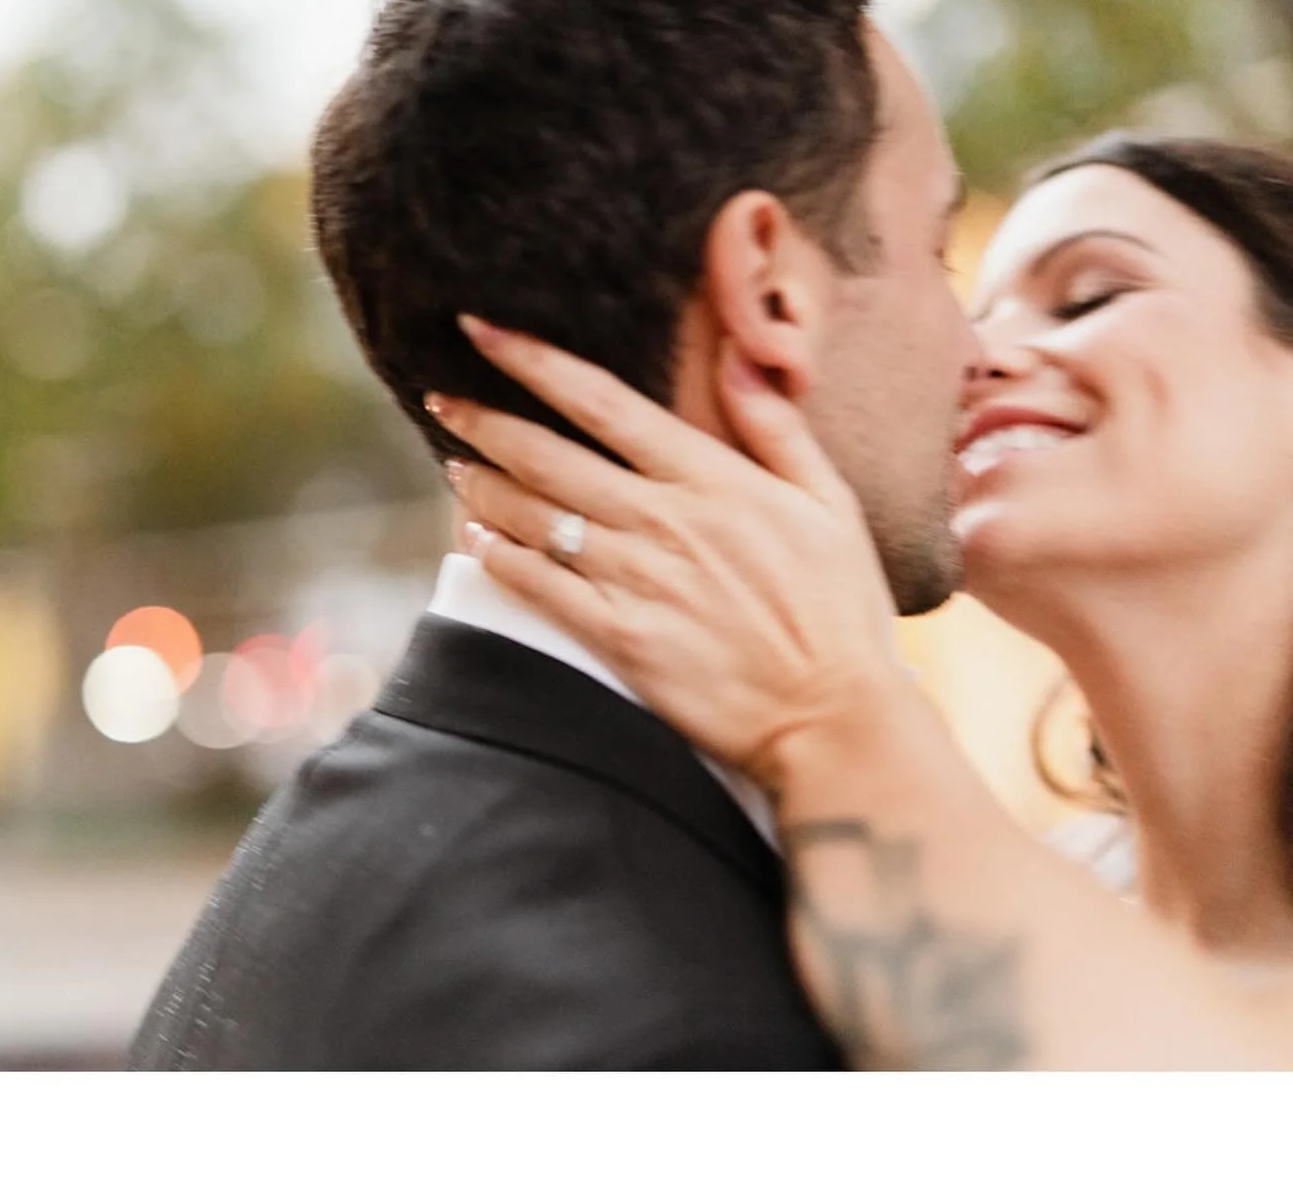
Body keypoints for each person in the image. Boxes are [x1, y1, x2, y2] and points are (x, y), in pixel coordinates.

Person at [127, 0, 980, 1069]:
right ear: (770, 292)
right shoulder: (686, 1027)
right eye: (939, 251)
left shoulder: (318, 861)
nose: (978, 346)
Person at [437, 134, 1293, 1069]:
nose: (973, 357)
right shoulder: (1035, 891)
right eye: (968, 313)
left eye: (1090, 296)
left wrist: (827, 711)